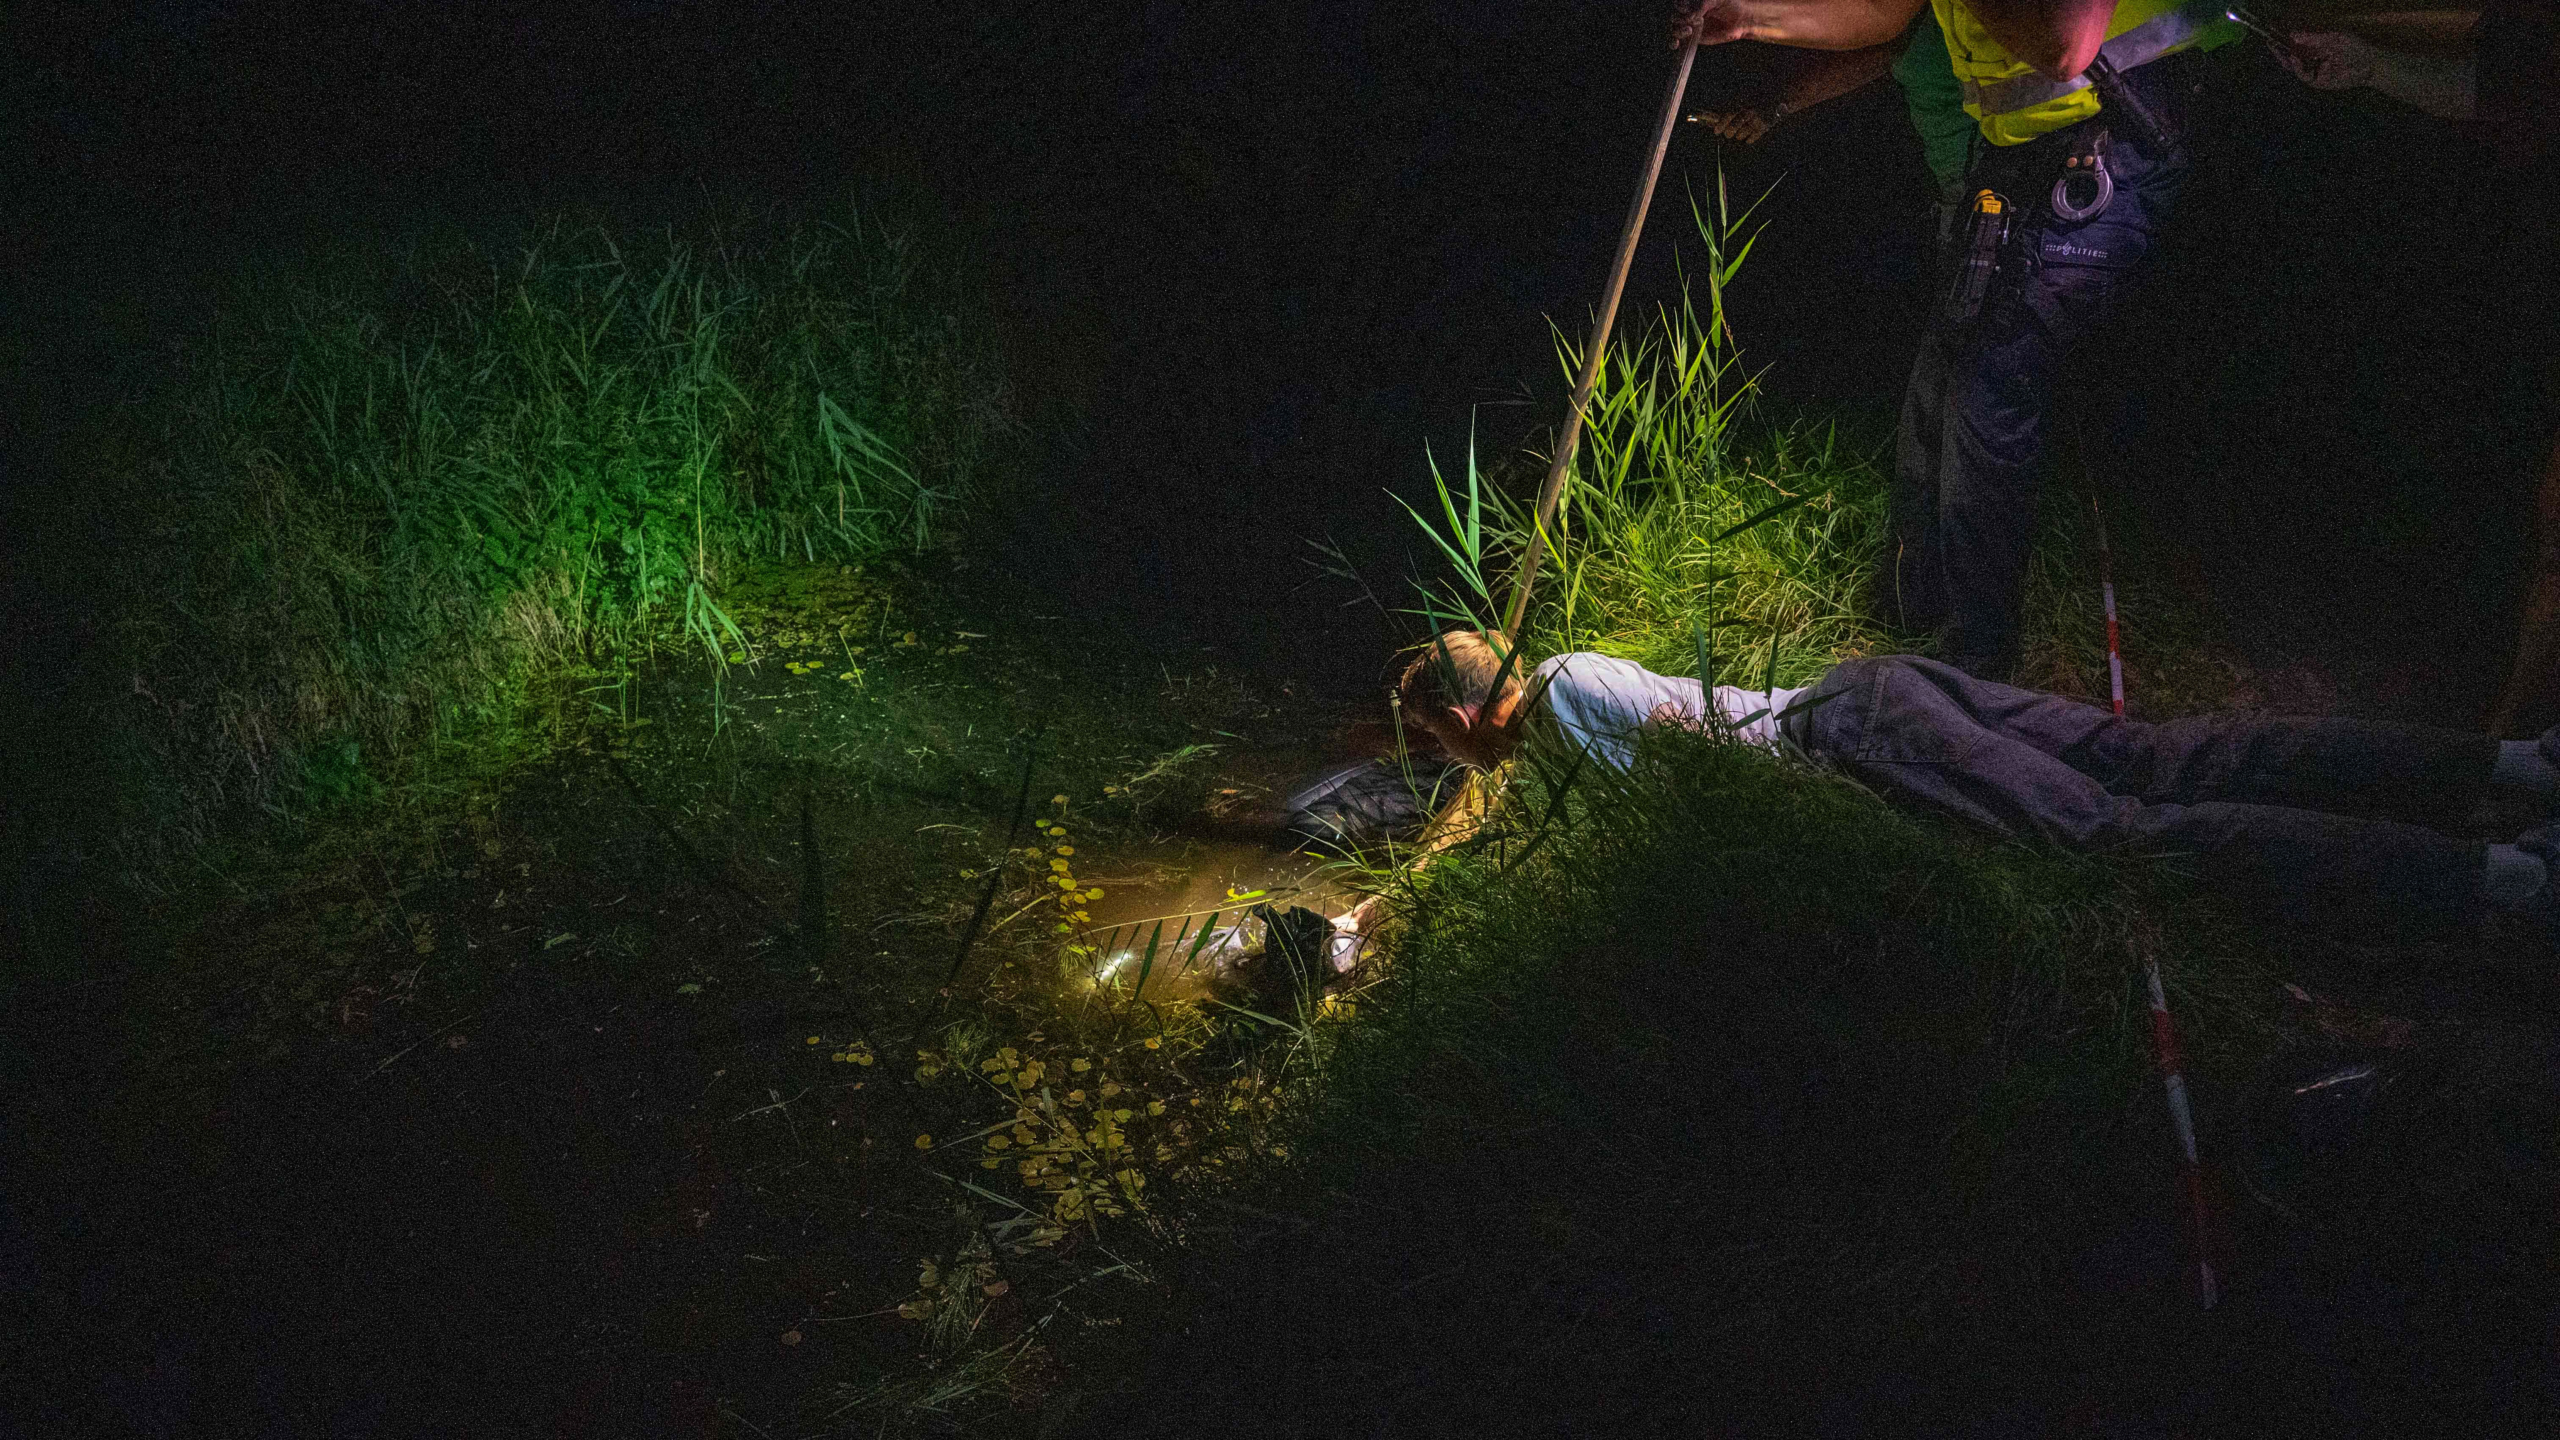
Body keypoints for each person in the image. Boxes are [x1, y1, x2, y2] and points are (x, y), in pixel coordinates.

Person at [1675, 0, 2252, 681]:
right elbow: (1887, 19)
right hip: (2021, 153)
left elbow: (2065, 43)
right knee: (1939, 391)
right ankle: (1908, 619)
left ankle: (1973, 677)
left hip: (2119, 133)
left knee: (1988, 396)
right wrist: (1746, 18)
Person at [1377, 629, 2560, 946]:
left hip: (1850, 746)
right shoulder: (1572, 682)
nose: (1452, 772)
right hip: (1864, 697)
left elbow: (1601, 822)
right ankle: (2509, 772)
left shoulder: (1564, 712)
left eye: (1437, 749)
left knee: (2134, 835)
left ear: (1465, 717)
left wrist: (1405, 891)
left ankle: (2504, 881)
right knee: (2160, 758)